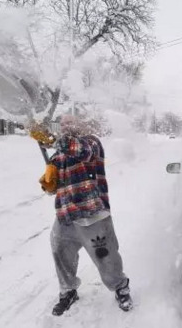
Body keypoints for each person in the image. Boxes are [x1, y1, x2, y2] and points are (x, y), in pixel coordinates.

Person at [31, 115, 132, 316]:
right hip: (66, 214)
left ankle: (120, 287)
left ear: (82, 124)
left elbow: (80, 151)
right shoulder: (58, 154)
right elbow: (56, 185)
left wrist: (51, 139)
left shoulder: (91, 143)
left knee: (106, 256)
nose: (66, 125)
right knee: (60, 251)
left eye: (71, 122)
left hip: (92, 213)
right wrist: (49, 183)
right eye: (64, 123)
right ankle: (68, 291)